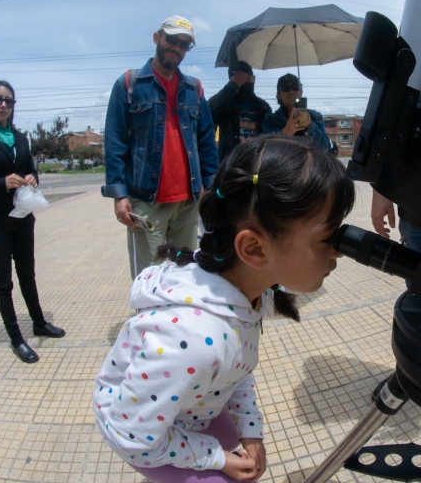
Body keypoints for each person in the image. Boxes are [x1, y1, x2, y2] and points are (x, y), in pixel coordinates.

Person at [92, 134, 355, 483]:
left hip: (187, 406)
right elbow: (133, 437)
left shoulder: (239, 294)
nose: (338, 251)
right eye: (328, 238)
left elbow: (235, 368)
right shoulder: (195, 340)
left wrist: (250, 428)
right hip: (139, 431)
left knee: (237, 454)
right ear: (255, 249)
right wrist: (216, 459)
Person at [102, 16, 219, 279]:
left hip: (188, 201)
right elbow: (115, 141)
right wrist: (119, 195)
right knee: (149, 279)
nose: (177, 48)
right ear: (157, 38)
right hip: (146, 201)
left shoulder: (195, 88)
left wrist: (211, 187)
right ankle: (148, 321)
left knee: (184, 276)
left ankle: (178, 321)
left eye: (184, 44)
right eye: (172, 40)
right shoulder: (130, 84)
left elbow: (206, 141)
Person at [0, 80, 65, 364]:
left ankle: (39, 323)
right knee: (3, 281)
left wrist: (33, 178)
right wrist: (1, 183)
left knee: (28, 274)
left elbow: (30, 170)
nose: (4, 105)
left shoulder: (20, 139)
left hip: (22, 217)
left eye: (9, 101)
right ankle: (17, 338)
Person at [208, 60, 272, 161]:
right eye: (239, 83)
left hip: (256, 164)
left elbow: (269, 136)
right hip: (230, 164)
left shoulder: (264, 107)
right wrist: (231, 87)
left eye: (247, 82)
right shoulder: (225, 105)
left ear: (254, 79)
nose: (244, 85)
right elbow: (206, 112)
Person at [262, 74, 331, 151]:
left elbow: (325, 148)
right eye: (285, 88)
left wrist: (310, 126)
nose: (291, 92)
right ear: (279, 95)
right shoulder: (271, 119)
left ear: (301, 92)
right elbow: (267, 150)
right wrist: (286, 132)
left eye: (296, 88)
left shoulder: (315, 117)